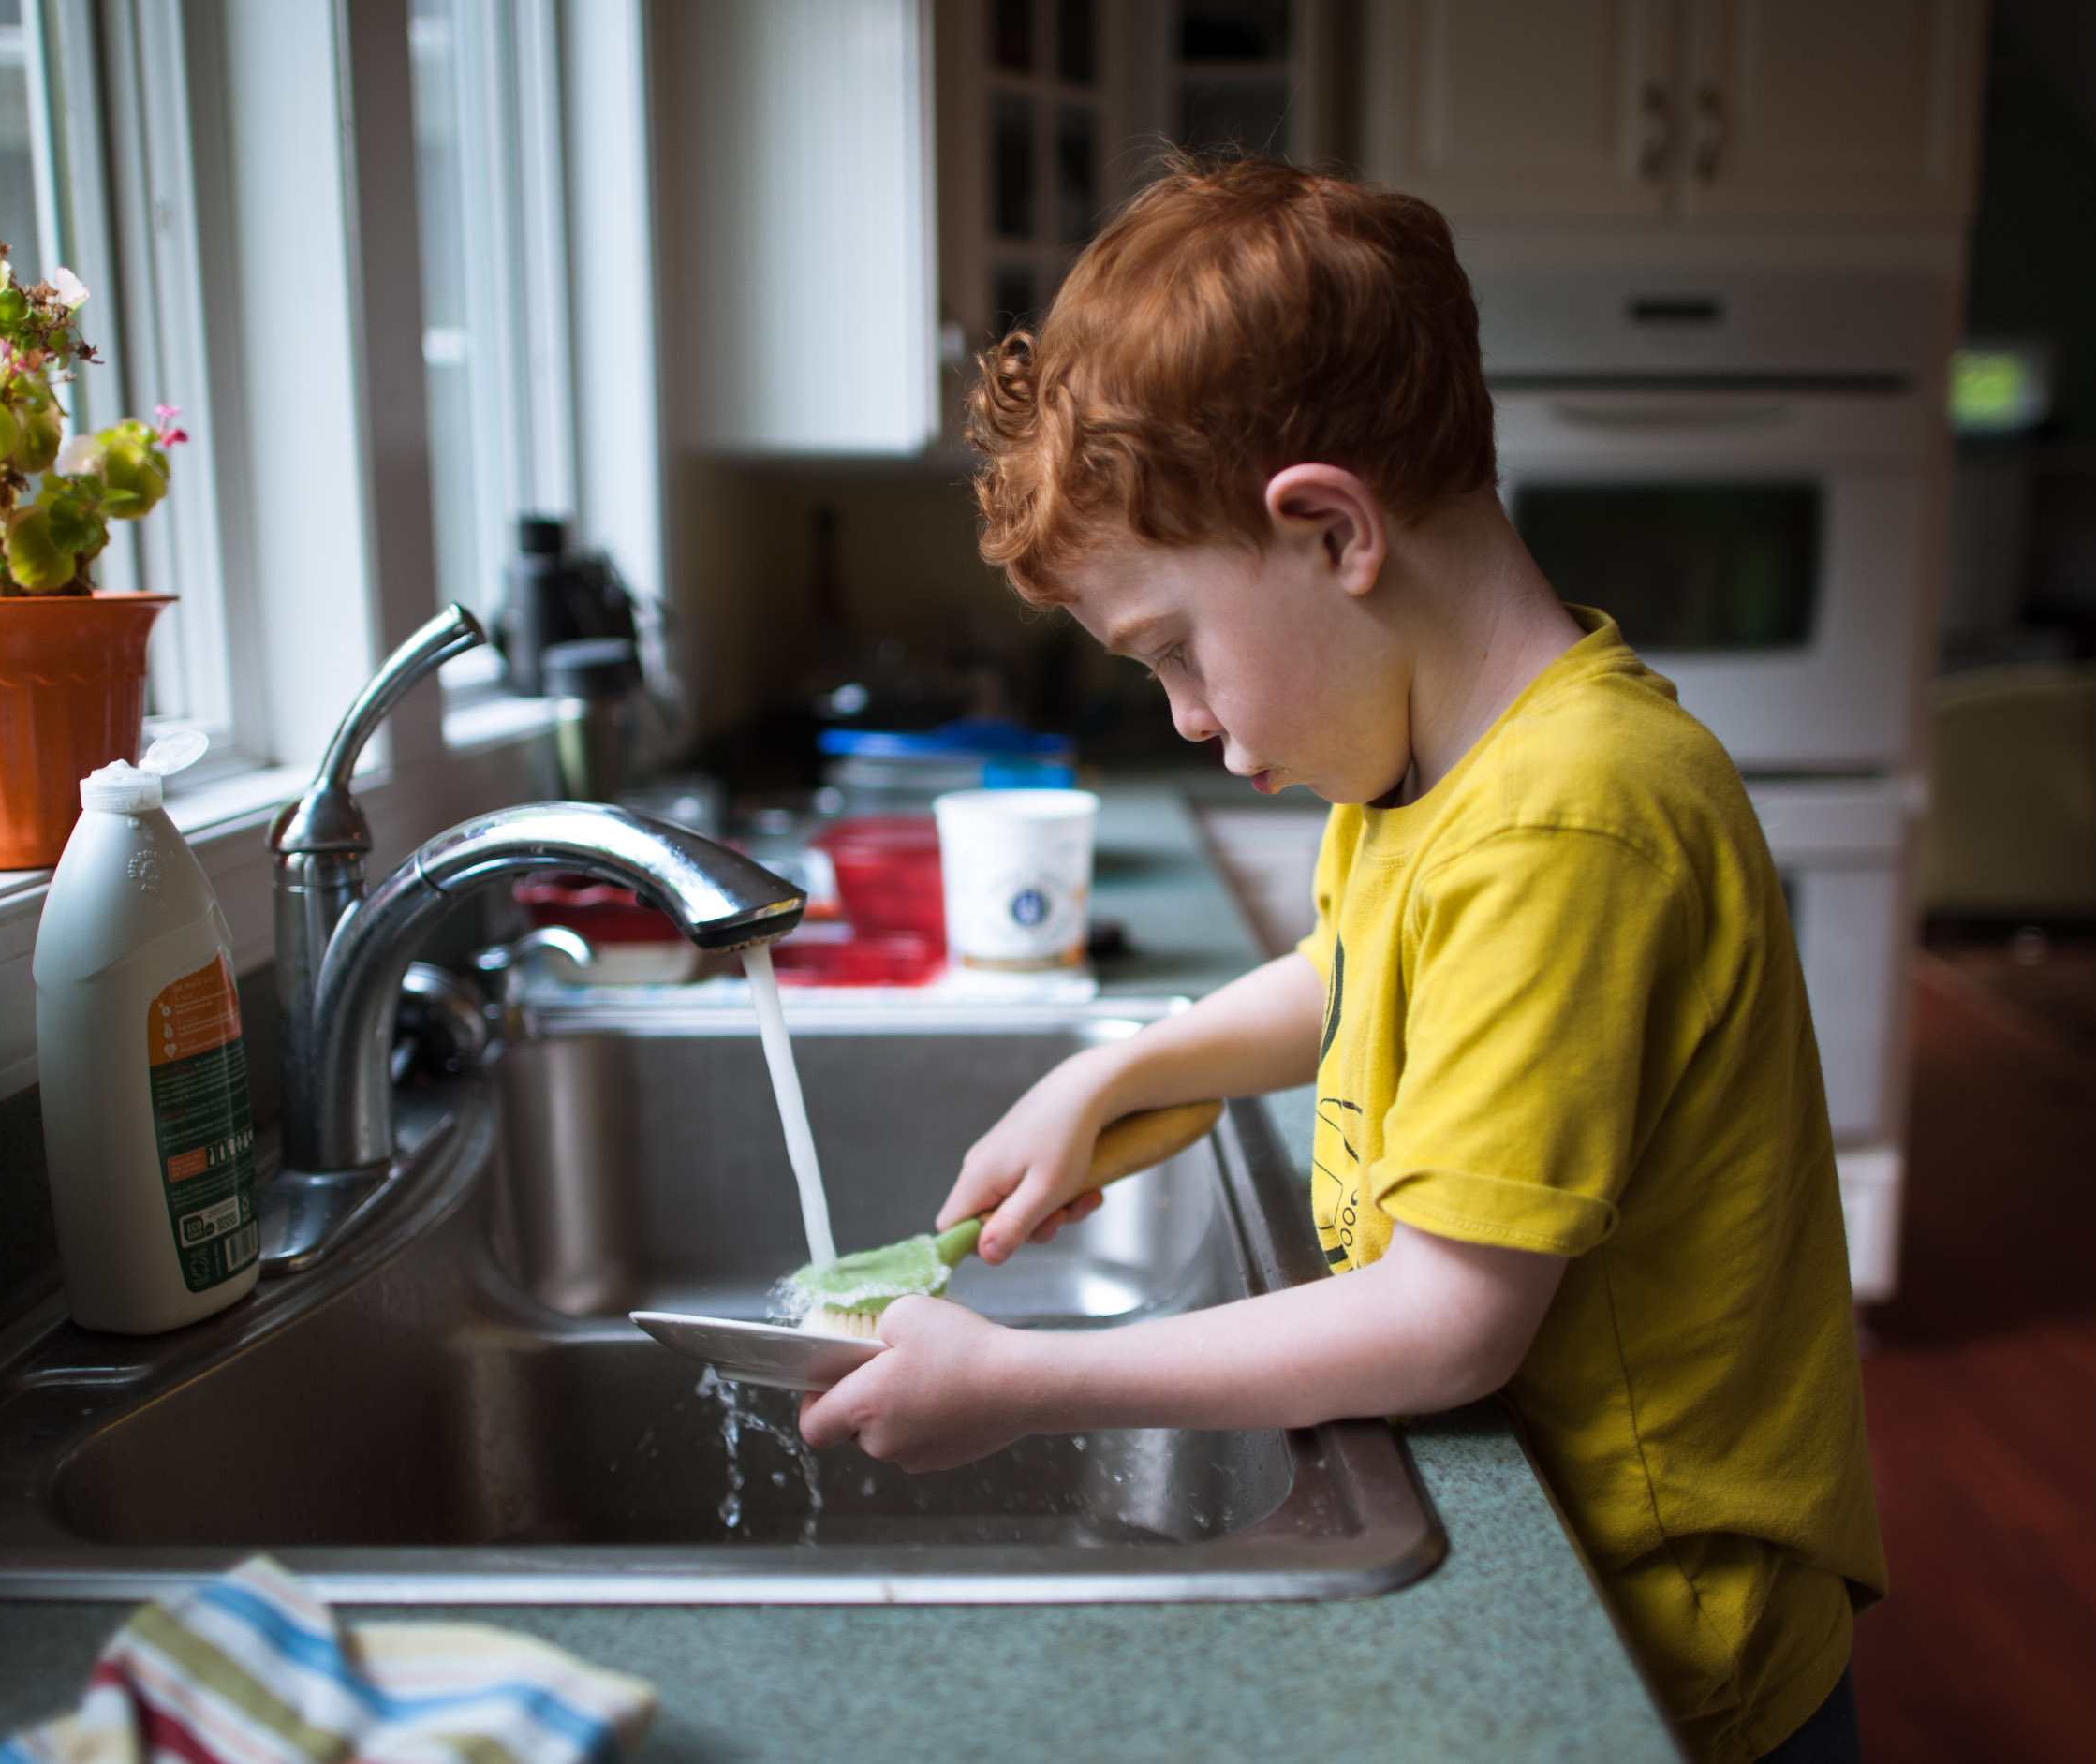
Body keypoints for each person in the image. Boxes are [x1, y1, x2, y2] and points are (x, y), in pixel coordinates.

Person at [796, 157, 1885, 1764]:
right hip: (1566, 1561)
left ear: (1329, 530)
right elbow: (1356, 970)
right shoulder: (1437, 767)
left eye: (1174, 649)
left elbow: (1449, 1319)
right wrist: (1122, 1067)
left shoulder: (1567, 824)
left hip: (1659, 1643)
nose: (1185, 716)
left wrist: (1023, 1381)